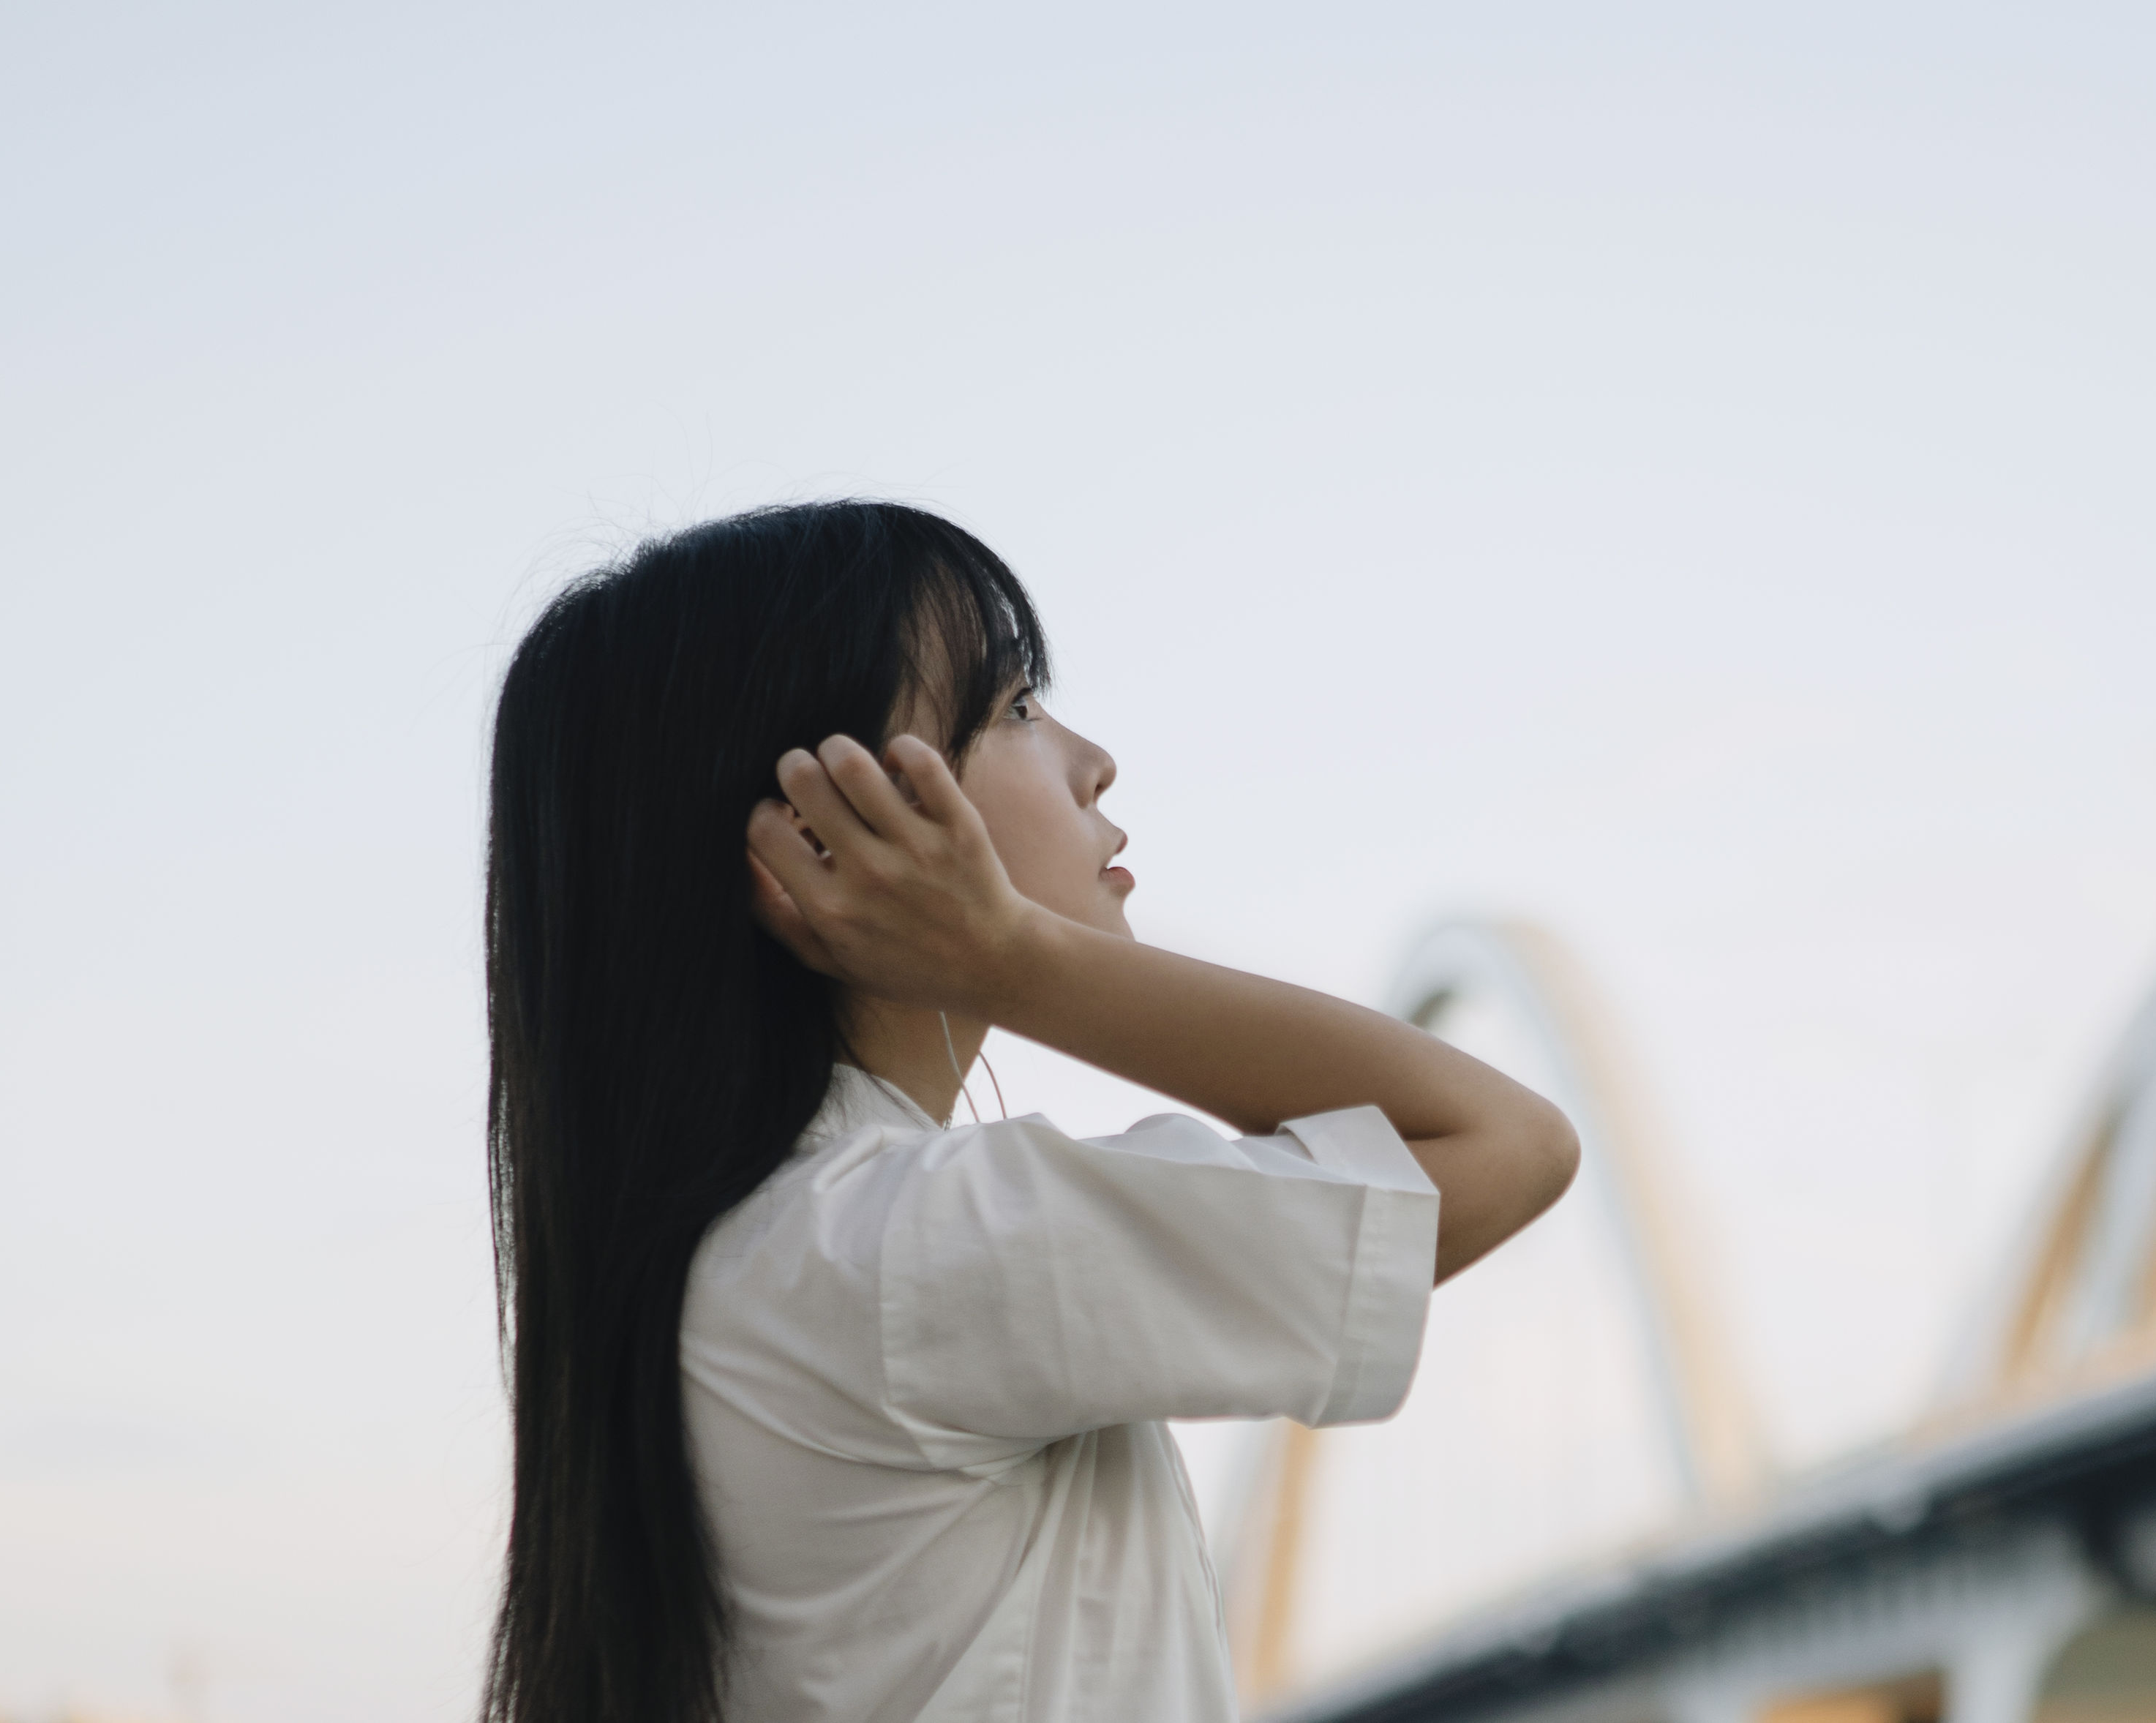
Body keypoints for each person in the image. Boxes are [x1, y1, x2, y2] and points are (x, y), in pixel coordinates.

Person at [480, 500, 1579, 1723]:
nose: (1090, 757)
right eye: (1011, 708)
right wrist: (1014, 959)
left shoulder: (761, 1264)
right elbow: (1508, 1142)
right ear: (823, 841)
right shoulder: (895, 1256)